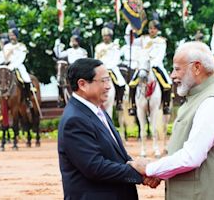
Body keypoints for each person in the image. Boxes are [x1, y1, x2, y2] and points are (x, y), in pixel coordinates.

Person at [128, 41, 214, 200]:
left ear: (197, 68)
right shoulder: (197, 97)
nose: (172, 75)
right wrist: (161, 172)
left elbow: (191, 156)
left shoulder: (212, 101)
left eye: (177, 69)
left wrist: (149, 169)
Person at [58, 58, 158, 199]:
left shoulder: (97, 110)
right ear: (82, 84)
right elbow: (95, 167)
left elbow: (117, 155)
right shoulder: (75, 120)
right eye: (103, 81)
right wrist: (140, 174)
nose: (108, 86)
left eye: (109, 80)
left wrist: (135, 165)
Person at [128, 19, 173, 116]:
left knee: (167, 84)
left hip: (156, 65)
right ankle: (133, 105)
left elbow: (160, 56)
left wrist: (151, 64)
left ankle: (166, 105)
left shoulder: (161, 41)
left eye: (154, 29)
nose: (152, 30)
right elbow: (131, 42)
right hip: (143, 65)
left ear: (157, 30)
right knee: (132, 83)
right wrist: (130, 30)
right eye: (150, 28)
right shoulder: (143, 39)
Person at [95, 22, 126, 111]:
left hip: (111, 68)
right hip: (100, 69)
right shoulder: (98, 47)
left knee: (121, 82)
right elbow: (96, 58)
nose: (105, 37)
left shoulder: (115, 46)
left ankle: (119, 102)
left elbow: (116, 59)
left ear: (110, 36)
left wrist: (107, 67)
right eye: (104, 35)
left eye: (107, 35)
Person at [3, 21, 33, 107]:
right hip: (9, 65)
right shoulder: (6, 46)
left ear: (16, 36)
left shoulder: (22, 46)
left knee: (26, 79)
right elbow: (6, 58)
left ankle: (28, 99)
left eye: (12, 35)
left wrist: (15, 65)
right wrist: (10, 52)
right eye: (10, 35)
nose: (11, 37)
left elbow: (21, 58)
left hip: (19, 65)